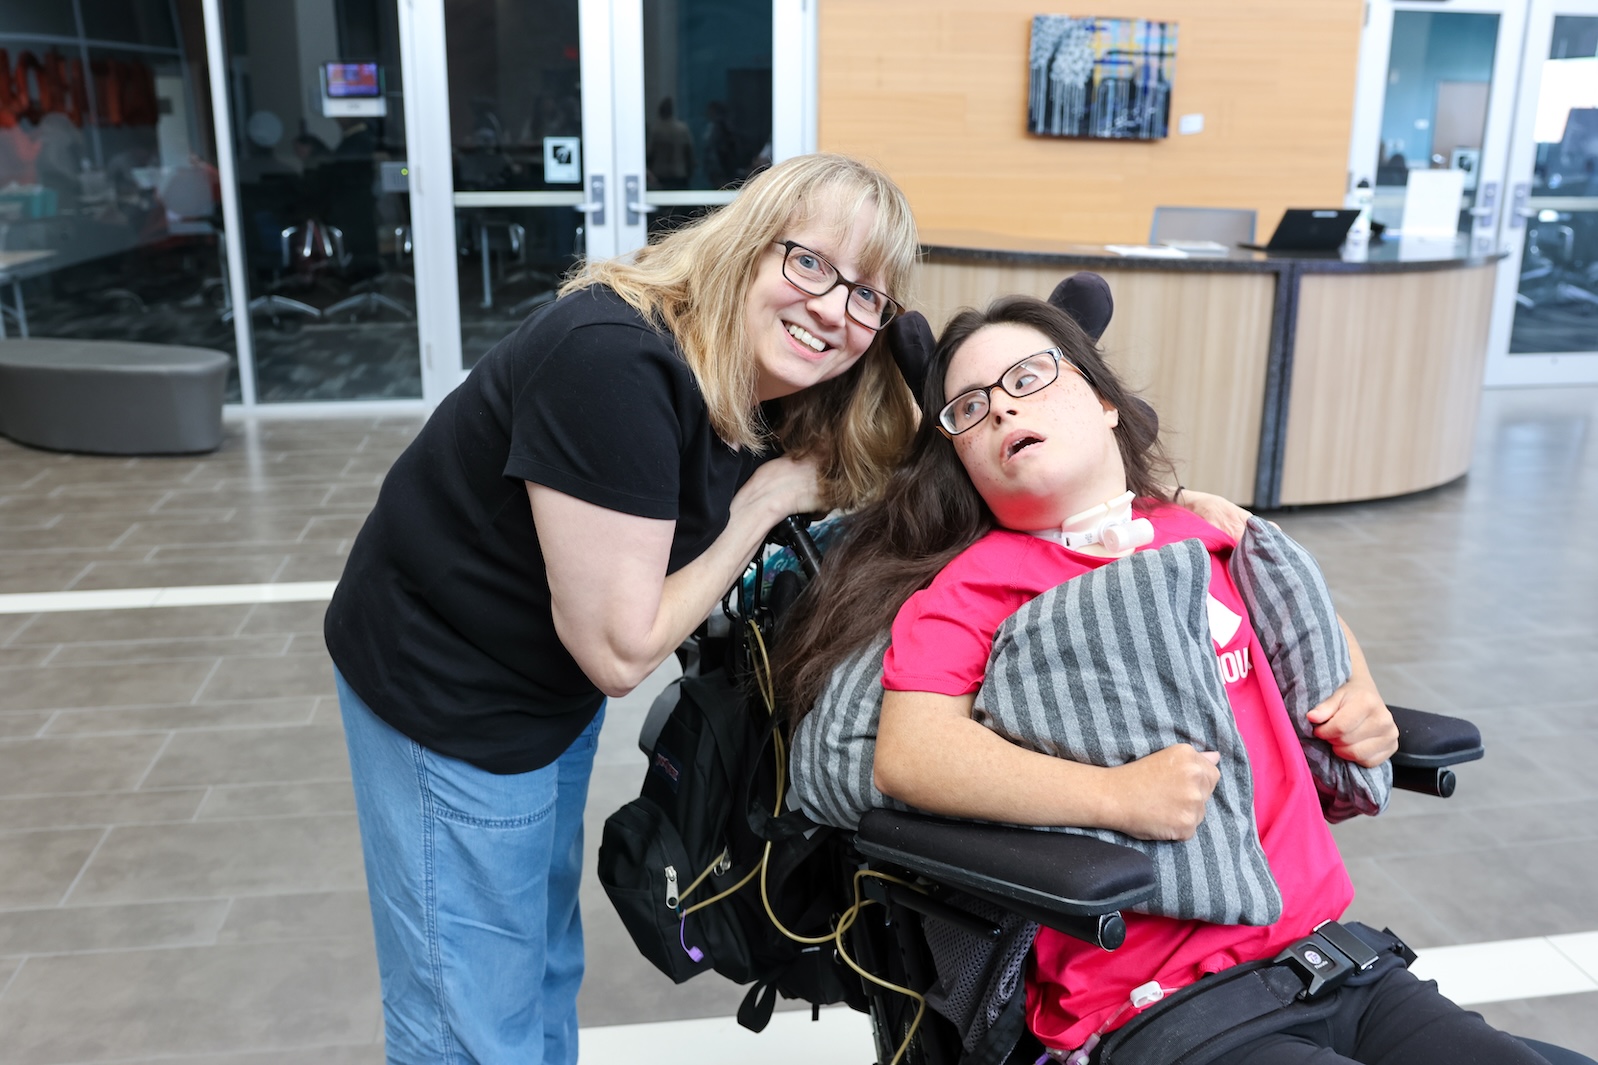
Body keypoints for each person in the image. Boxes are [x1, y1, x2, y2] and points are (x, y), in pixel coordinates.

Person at [776, 295, 1554, 1065]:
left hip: (1337, 963)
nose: (1001, 413)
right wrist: (1116, 797)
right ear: (962, 458)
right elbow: (911, 754)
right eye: (969, 409)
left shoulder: (1203, 531)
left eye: (1027, 378)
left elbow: (1305, 620)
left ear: (1107, 401)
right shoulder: (973, 589)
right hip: (1165, 1007)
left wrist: (1361, 689)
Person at [324, 153, 922, 1065]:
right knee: (466, 1009)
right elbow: (620, 647)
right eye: (810, 263)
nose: (835, 308)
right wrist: (762, 504)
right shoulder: (614, 362)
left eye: (868, 296)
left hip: (544, 682)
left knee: (539, 958)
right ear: (748, 248)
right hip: (446, 681)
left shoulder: (765, 381)